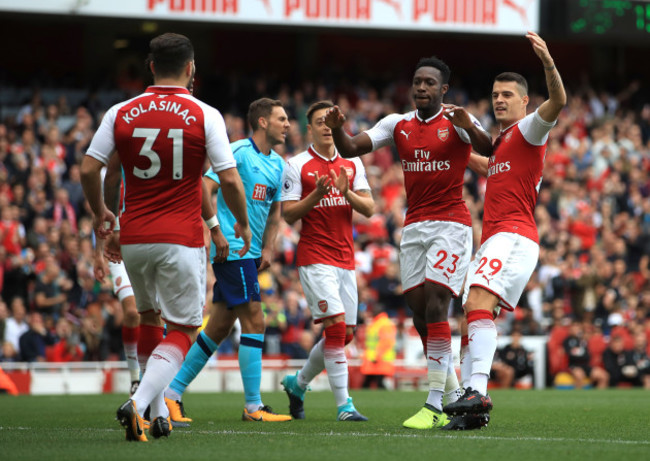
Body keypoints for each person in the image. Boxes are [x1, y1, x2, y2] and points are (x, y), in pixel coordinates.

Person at [80, 32, 250, 442]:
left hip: (134, 236)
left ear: (151, 67)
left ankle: (157, 415)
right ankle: (138, 403)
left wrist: (102, 214)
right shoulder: (205, 113)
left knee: (150, 316)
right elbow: (227, 177)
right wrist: (241, 224)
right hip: (181, 235)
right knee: (186, 328)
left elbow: (90, 169)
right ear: (191, 69)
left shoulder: (121, 111)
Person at [323, 57, 492, 429]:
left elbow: (491, 148)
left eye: (430, 83)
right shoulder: (396, 123)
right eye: (417, 82)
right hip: (414, 225)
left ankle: (433, 405)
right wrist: (337, 130)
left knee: (436, 304)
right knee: (419, 314)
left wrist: (470, 128)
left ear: (443, 89)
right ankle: (453, 397)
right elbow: (351, 148)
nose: (421, 88)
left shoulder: (457, 119)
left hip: (451, 224)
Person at [444, 32, 568, 425]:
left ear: (524, 101)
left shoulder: (530, 129)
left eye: (507, 94)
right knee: (473, 311)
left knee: (477, 299)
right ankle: (471, 405)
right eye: (495, 94)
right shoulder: (500, 144)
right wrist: (455, 139)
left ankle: (477, 392)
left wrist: (547, 61)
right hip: (499, 237)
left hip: (513, 234)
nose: (499, 99)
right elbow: (483, 164)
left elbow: (559, 102)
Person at [163, 98, 291, 423]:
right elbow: (204, 188)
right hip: (232, 250)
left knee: (218, 328)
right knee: (255, 321)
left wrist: (269, 248)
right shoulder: (237, 153)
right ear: (262, 122)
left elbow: (274, 211)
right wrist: (216, 230)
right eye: (282, 119)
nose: (288, 125)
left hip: (250, 253)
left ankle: (171, 394)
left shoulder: (278, 163)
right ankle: (253, 406)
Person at [280, 100, 375, 422]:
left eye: (329, 121)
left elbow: (370, 209)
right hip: (314, 256)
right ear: (309, 127)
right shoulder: (297, 165)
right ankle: (344, 406)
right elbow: (288, 214)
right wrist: (317, 195)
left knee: (345, 335)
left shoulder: (352, 163)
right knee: (335, 328)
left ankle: (298, 383)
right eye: (319, 121)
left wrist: (345, 193)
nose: (324, 126)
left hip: (346, 259)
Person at [93, 156, 142, 396]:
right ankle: (135, 378)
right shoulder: (108, 174)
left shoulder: (148, 165)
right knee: (131, 312)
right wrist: (97, 255)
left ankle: (155, 379)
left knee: (154, 314)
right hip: (117, 249)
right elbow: (99, 214)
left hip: (146, 245)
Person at [360, 305, 397, 389]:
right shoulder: (377, 323)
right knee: (372, 383)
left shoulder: (383, 323)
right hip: (375, 360)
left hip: (379, 360)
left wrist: (377, 356)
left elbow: (386, 342)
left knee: (372, 383)